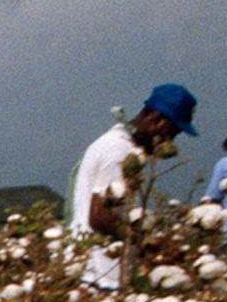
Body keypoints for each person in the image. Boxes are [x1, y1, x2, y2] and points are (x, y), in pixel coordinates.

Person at [69, 81, 196, 289]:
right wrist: (150, 244)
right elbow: (100, 216)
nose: (170, 143)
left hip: (98, 271)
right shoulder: (119, 150)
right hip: (99, 275)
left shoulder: (120, 145)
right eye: (172, 135)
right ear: (158, 123)